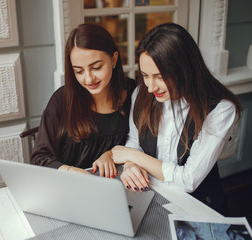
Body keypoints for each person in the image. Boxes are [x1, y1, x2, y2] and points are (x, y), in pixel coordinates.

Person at [111, 23, 242, 215]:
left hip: (198, 206)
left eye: (160, 77)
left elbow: (188, 180)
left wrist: (133, 157)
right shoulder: (140, 93)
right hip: (151, 196)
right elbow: (134, 140)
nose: (150, 87)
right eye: (145, 75)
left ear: (185, 69)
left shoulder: (220, 109)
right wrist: (131, 166)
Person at [30, 23, 136, 178]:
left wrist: (110, 154)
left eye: (97, 67)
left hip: (118, 186)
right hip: (68, 186)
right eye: (79, 71)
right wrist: (74, 172)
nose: (88, 78)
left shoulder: (134, 93)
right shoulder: (62, 100)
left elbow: (141, 145)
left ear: (114, 59)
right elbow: (40, 158)